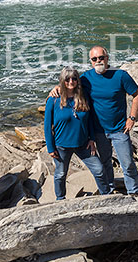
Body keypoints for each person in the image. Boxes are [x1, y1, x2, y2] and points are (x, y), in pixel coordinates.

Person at [51, 46, 138, 195]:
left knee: (128, 163)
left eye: (101, 58)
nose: (98, 61)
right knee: (106, 163)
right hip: (98, 131)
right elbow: (69, 83)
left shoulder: (120, 75)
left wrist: (132, 118)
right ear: (91, 61)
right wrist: (56, 88)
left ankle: (134, 192)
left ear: (107, 58)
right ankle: (110, 191)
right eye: (94, 59)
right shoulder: (86, 78)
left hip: (120, 129)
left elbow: (137, 93)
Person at [44, 66, 110, 200]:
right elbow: (47, 126)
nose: (71, 81)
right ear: (62, 80)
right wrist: (50, 148)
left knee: (99, 170)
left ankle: (106, 196)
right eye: (67, 79)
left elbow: (90, 120)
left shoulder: (83, 97)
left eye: (74, 78)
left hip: (83, 144)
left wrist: (92, 139)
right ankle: (60, 199)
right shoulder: (54, 100)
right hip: (61, 146)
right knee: (60, 174)